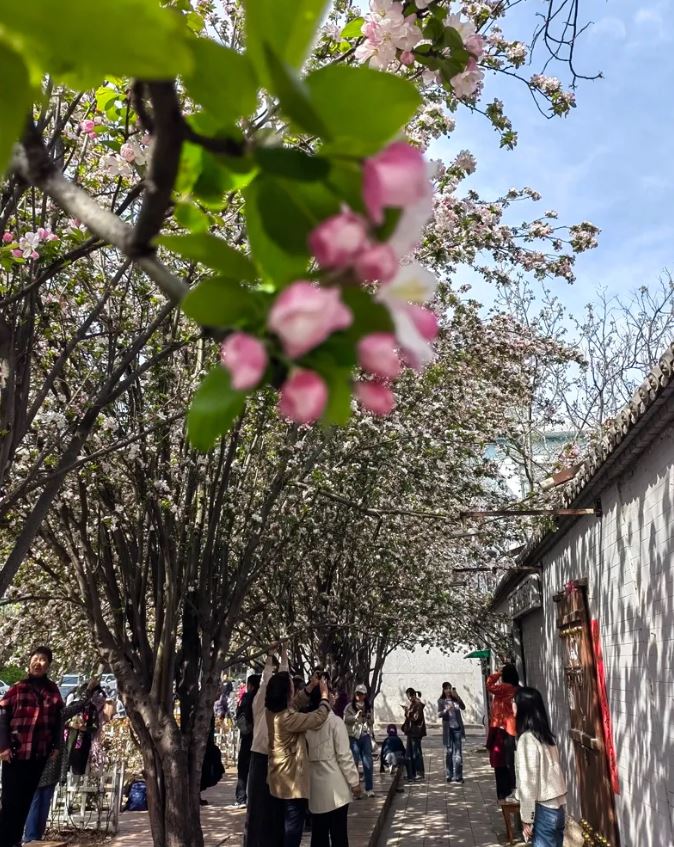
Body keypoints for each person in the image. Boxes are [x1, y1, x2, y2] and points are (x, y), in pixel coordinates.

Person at [245, 647, 316, 847]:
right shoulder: (264, 705)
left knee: (275, 812)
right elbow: (268, 680)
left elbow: (283, 679)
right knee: (260, 810)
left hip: (274, 761)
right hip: (260, 758)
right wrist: (269, 657)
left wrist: (284, 654)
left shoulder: (284, 709)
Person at [24, 679, 105, 842]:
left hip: (50, 764)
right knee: (37, 801)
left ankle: (35, 838)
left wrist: (89, 691)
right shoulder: (36, 715)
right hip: (37, 764)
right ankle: (31, 838)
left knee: (43, 802)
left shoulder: (57, 715)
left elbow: (79, 706)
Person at [0, 647, 63, 847]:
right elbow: (2, 717)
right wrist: (3, 747)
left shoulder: (53, 691)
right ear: (29, 662)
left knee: (26, 800)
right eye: (35, 658)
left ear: (48, 665)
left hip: (38, 754)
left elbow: (58, 720)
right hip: (15, 753)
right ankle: (4, 841)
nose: (38, 663)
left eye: (43, 659)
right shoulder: (18, 688)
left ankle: (15, 841)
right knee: (10, 801)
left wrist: (57, 745)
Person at [266, 671, 330, 847]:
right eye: (291, 686)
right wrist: (325, 696)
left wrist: (310, 687)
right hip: (292, 782)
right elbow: (317, 718)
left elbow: (293, 704)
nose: (294, 688)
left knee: (280, 830)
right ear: (286, 692)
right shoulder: (288, 719)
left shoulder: (271, 712)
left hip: (277, 780)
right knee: (293, 832)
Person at [306, 685, 360, 846]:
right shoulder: (336, 722)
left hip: (316, 789)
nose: (334, 696)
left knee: (319, 835)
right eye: (330, 694)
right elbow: (344, 756)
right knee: (339, 835)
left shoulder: (305, 723)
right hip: (337, 789)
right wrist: (354, 782)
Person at [514, 687, 566, 846]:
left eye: (515, 702)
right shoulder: (546, 737)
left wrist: (526, 818)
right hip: (557, 808)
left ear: (524, 707)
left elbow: (528, 783)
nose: (512, 706)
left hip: (543, 810)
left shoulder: (527, 740)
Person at [486, 663, 520, 801]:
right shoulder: (517, 689)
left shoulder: (503, 688)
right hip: (512, 728)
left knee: (501, 763)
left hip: (501, 728)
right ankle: (513, 789)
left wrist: (498, 672)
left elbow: (489, 684)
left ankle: (504, 794)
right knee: (511, 762)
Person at [343, 684, 375, 798]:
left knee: (368, 762)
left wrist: (369, 718)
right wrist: (355, 717)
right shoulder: (349, 707)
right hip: (353, 737)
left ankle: (369, 789)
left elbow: (371, 722)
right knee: (354, 762)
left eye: (361, 694)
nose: (359, 696)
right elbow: (345, 720)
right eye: (357, 693)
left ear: (365, 695)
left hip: (365, 735)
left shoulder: (368, 707)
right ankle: (355, 790)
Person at [234, 673, 261, 806]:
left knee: (243, 768)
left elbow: (239, 715)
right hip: (259, 737)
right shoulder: (263, 698)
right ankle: (255, 799)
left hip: (247, 737)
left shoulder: (247, 697)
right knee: (257, 769)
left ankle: (241, 798)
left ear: (250, 685)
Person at [437, 682, 466, 783]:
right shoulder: (441, 701)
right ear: (443, 690)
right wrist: (446, 709)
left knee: (458, 753)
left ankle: (458, 776)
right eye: (446, 688)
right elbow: (439, 714)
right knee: (449, 752)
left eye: (449, 688)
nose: (448, 690)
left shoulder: (455, 699)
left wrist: (457, 697)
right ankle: (449, 775)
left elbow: (463, 707)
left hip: (457, 729)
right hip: (448, 730)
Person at [402, 688, 426, 781]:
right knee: (409, 753)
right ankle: (411, 773)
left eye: (409, 696)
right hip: (411, 731)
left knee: (416, 753)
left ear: (412, 695)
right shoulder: (413, 704)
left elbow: (416, 718)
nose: (408, 698)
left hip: (416, 732)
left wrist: (407, 712)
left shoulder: (418, 704)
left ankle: (419, 772)